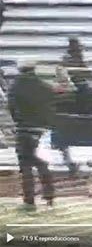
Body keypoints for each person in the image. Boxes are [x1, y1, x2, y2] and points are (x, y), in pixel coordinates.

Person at [7, 63, 58, 208]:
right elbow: (52, 107)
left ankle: (29, 199)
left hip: (24, 130)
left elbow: (12, 108)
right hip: (41, 131)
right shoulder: (44, 87)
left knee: (26, 167)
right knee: (43, 165)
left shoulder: (15, 87)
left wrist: (18, 121)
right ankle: (49, 197)